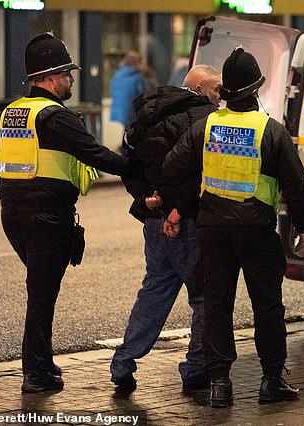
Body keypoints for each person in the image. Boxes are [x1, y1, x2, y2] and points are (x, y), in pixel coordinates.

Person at [163, 47, 304, 407]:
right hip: (256, 229)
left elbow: (171, 167)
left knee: (217, 304)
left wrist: (185, 201)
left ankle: (220, 385)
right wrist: (302, 225)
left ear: (227, 91)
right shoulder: (271, 131)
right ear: (257, 88)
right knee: (267, 306)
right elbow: (296, 183)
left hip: (212, 228)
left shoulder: (205, 126)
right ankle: (271, 380)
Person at [0, 32, 132, 393]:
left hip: (13, 215)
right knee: (41, 294)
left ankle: (42, 363)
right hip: (47, 218)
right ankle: (35, 375)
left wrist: (10, 201)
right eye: (68, 74)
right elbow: (97, 155)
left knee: (41, 291)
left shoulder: (13, 112)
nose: (71, 79)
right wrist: (140, 169)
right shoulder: (56, 116)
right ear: (52, 77)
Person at [109, 64, 222, 394]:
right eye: (216, 91)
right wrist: (177, 209)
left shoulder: (147, 115)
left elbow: (130, 164)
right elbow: (198, 174)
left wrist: (146, 198)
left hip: (155, 221)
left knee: (155, 291)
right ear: (200, 89)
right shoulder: (206, 118)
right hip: (187, 221)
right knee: (204, 296)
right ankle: (196, 370)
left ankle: (123, 363)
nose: (221, 98)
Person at [109, 50, 148, 127]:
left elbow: (112, 90)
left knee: (127, 129)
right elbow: (143, 93)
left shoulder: (117, 74)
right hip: (132, 110)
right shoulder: (137, 77)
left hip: (119, 109)